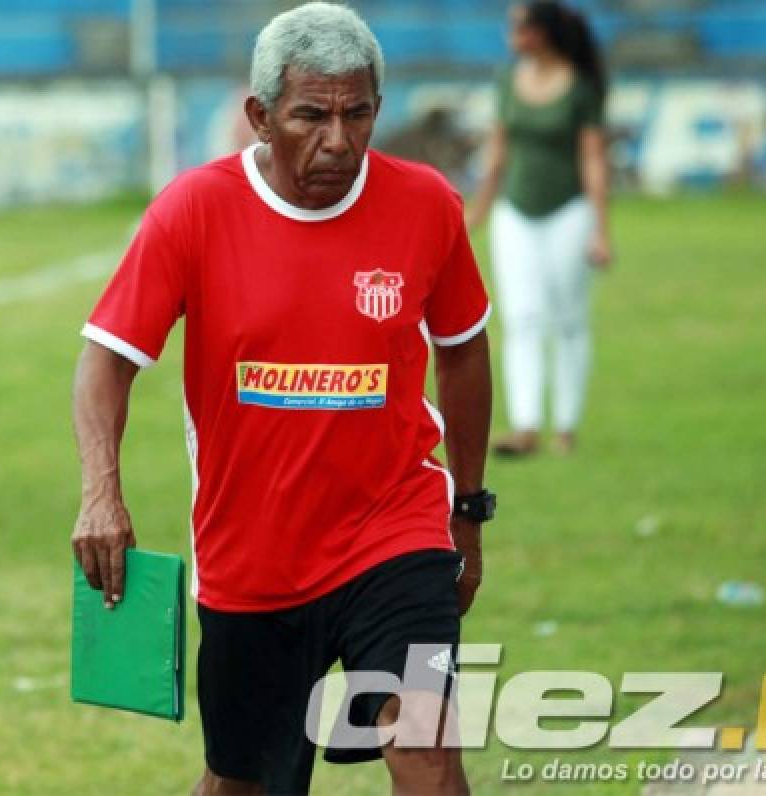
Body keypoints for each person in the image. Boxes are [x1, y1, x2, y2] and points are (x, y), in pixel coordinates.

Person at [73, 4, 495, 793]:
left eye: (358, 113)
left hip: (394, 531)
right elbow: (105, 360)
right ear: (260, 116)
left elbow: (463, 349)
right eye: (311, 115)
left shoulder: (427, 204)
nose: (338, 140)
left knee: (429, 755)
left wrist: (467, 509)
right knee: (243, 781)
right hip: (254, 557)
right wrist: (101, 494)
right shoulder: (193, 210)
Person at [466, 0, 612, 457]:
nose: (511, 34)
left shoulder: (580, 86)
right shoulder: (508, 82)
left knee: (568, 319)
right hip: (516, 211)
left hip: (568, 210)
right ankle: (526, 425)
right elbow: (497, 153)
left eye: (519, 26)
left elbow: (592, 158)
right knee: (522, 317)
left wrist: (600, 228)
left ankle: (565, 426)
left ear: (542, 33)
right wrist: (479, 211)